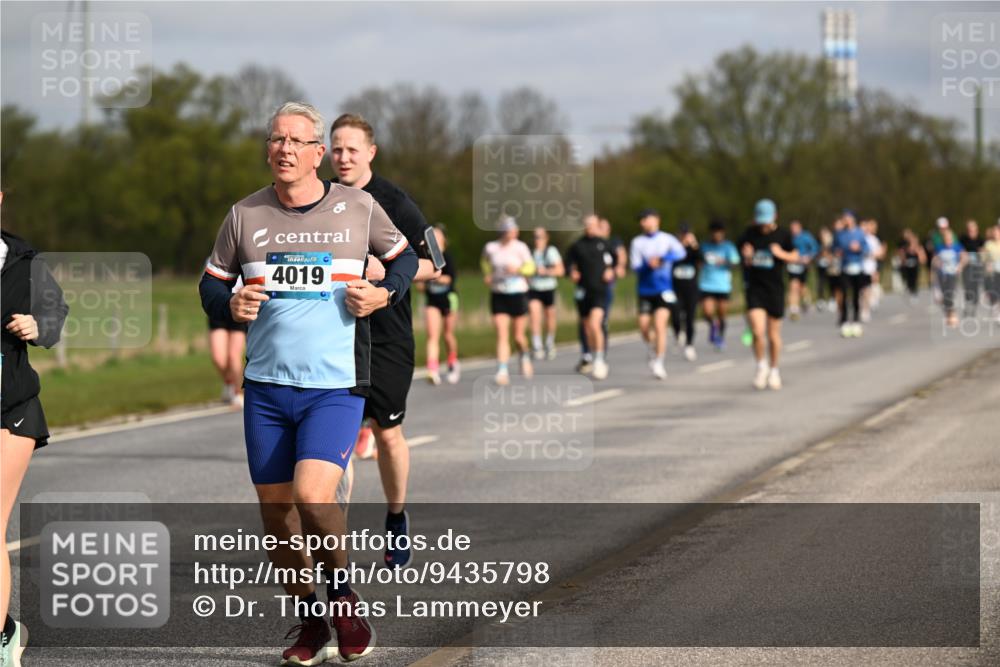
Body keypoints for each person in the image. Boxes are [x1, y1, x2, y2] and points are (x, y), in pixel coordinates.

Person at [199, 102, 418, 664]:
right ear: (268, 149)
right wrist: (230, 302)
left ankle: (343, 599)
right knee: (276, 515)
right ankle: (310, 621)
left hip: (336, 383)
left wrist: (384, 292)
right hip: (267, 387)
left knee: (314, 499)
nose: (285, 149)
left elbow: (405, 260)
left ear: (318, 153)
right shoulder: (244, 215)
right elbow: (210, 284)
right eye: (277, 139)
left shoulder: (359, 207)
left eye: (297, 141)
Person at [329, 113, 441, 570]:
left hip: (389, 338)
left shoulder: (395, 201)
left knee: (388, 434)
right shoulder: (320, 199)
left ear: (370, 152)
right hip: (335, 335)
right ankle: (334, 540)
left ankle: (396, 517)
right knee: (336, 441)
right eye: (336, 148)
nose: (344, 157)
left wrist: (387, 271)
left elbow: (436, 264)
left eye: (352, 149)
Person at [2, 191, 70, 667]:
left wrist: (36, 324)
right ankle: (8, 627)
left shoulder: (24, 262)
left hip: (12, 408)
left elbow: (55, 315)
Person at [738, 198, 798, 390]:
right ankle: (761, 365)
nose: (763, 225)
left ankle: (774, 369)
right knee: (757, 330)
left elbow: (795, 256)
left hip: (775, 289)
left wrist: (781, 254)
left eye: (766, 220)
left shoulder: (783, 235)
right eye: (760, 220)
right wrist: (745, 256)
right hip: (755, 288)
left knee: (773, 335)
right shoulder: (748, 235)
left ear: (774, 217)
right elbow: (738, 256)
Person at [630, 209, 687, 380]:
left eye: (646, 219)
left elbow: (681, 253)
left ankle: (659, 363)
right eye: (641, 220)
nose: (643, 223)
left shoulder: (666, 239)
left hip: (663, 289)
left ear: (656, 220)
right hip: (645, 290)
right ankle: (652, 346)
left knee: (660, 325)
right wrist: (649, 265)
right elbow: (635, 266)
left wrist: (663, 258)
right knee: (644, 327)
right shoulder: (637, 242)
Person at [481, 216, 535, 385]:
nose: (513, 233)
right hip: (499, 294)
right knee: (502, 334)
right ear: (503, 231)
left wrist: (518, 269)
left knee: (519, 336)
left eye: (515, 230)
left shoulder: (521, 247)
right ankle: (502, 370)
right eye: (510, 230)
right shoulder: (491, 247)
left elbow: (531, 267)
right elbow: (484, 262)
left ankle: (524, 356)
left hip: (518, 293)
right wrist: (488, 274)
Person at [566, 214, 615, 379]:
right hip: (583, 291)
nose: (590, 227)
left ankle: (600, 360)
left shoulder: (605, 244)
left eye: (593, 224)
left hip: (600, 290)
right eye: (587, 225)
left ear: (597, 225)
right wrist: (572, 272)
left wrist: (611, 271)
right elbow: (568, 264)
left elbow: (616, 261)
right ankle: (592, 355)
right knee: (586, 327)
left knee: (596, 324)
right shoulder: (577, 246)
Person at [577, 218, 625, 363]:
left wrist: (614, 271)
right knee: (585, 322)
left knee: (599, 322)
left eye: (604, 228)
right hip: (587, 289)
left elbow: (620, 261)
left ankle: (600, 354)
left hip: (604, 289)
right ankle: (587, 353)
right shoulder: (584, 245)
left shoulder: (610, 244)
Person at [423, 226, 459, 384]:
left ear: (444, 239)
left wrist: (434, 277)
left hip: (448, 298)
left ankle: (452, 362)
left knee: (448, 335)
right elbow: (420, 284)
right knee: (432, 335)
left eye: (438, 236)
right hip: (432, 300)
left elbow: (449, 278)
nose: (435, 239)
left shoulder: (447, 257)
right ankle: (432, 369)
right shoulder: (426, 258)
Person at [698, 219, 740, 351]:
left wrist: (725, 261)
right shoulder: (704, 246)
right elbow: (697, 260)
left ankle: (720, 337)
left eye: (719, 232)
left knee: (722, 312)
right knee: (707, 311)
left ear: (723, 233)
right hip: (706, 284)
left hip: (722, 285)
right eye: (714, 232)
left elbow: (735, 262)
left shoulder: (728, 246)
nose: (716, 235)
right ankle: (713, 325)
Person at [207, 272, 247, 407]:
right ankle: (229, 382)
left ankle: (238, 393)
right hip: (219, 309)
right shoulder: (214, 261)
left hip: (239, 308)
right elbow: (204, 286)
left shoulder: (244, 256)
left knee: (233, 356)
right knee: (219, 358)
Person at [527, 227, 564, 361]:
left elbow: (560, 270)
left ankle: (549, 342)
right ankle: (537, 345)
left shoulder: (551, 251)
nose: (537, 240)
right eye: (535, 237)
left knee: (550, 316)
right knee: (534, 314)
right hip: (534, 288)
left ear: (546, 238)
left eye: (540, 237)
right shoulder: (530, 252)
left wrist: (546, 271)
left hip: (548, 287)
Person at [834, 212, 869, 338]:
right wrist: (837, 252)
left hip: (857, 267)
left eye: (847, 219)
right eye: (844, 219)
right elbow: (834, 248)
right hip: (845, 267)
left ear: (852, 220)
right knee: (843, 294)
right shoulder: (840, 234)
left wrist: (859, 248)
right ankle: (844, 320)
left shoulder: (859, 233)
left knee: (855, 295)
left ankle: (856, 320)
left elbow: (866, 248)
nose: (846, 222)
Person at [670, 223, 701, 361]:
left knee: (690, 317)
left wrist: (694, 244)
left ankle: (689, 345)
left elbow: (701, 260)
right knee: (675, 314)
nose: (684, 237)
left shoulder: (693, 250)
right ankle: (678, 333)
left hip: (691, 289)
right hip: (675, 289)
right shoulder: (674, 249)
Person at [932, 226, 966, 329]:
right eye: (945, 237)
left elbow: (964, 257)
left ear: (952, 238)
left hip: (952, 274)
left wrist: (960, 266)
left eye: (949, 237)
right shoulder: (939, 247)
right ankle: (949, 314)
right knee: (944, 297)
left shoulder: (957, 247)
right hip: (942, 275)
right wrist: (937, 264)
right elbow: (935, 260)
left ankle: (952, 315)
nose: (947, 239)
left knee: (949, 294)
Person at [787, 220, 819, 320]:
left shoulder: (806, 237)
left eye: (795, 228)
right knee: (793, 285)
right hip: (792, 264)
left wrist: (808, 257)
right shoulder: (789, 238)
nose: (794, 230)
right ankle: (794, 308)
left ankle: (806, 300)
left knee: (802, 286)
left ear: (800, 228)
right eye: (792, 228)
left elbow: (815, 248)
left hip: (803, 265)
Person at [860, 218, 885, 321]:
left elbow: (880, 254)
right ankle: (863, 308)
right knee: (861, 291)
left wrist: (870, 254)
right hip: (859, 268)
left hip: (870, 267)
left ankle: (866, 310)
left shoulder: (872, 239)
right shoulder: (857, 238)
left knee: (866, 289)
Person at [959, 219, 985, 318]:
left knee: (975, 287)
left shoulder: (980, 239)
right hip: (966, 265)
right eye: (969, 229)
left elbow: (983, 252)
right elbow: (960, 250)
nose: (971, 231)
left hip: (977, 266)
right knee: (967, 286)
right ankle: (967, 305)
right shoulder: (963, 239)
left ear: (976, 229)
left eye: (972, 228)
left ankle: (974, 308)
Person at [896, 229, 926, 304]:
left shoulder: (918, 247)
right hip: (907, 265)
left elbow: (922, 258)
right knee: (908, 280)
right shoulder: (904, 247)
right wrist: (902, 261)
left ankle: (914, 293)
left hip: (915, 265)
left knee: (914, 279)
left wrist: (918, 253)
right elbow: (901, 255)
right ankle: (909, 290)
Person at [983, 223, 1000, 320]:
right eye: (994, 232)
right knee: (994, 293)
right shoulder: (988, 244)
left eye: (997, 231)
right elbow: (984, 258)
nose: (995, 233)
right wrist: (987, 264)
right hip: (992, 272)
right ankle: (995, 308)